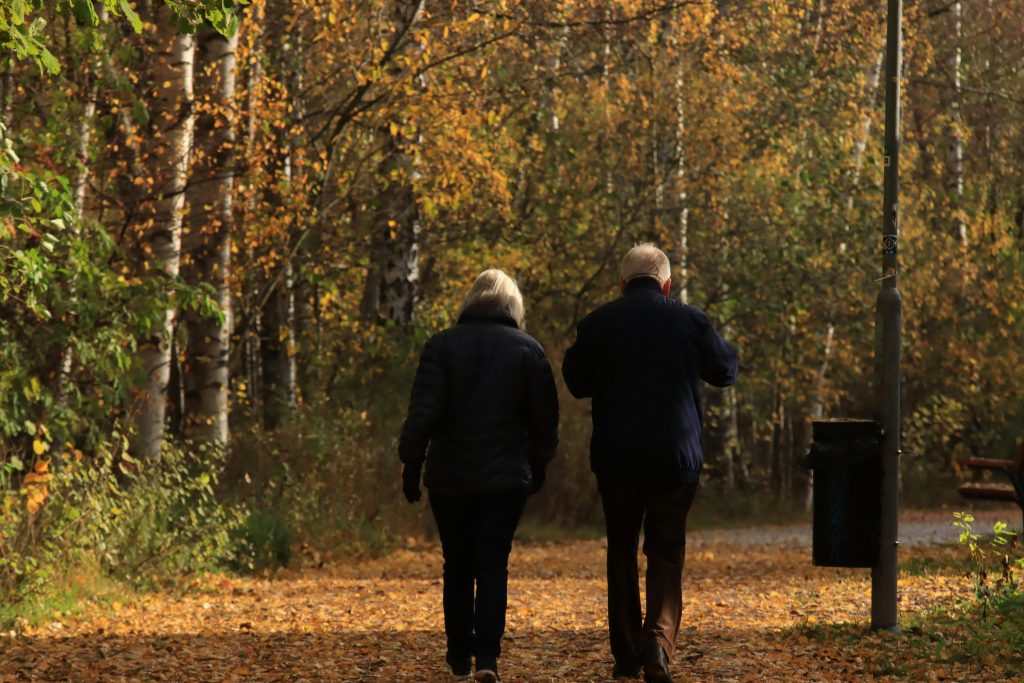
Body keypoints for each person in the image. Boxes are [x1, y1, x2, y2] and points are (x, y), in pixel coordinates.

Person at [562, 243, 738, 683]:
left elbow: (576, 382)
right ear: (666, 283)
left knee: (621, 549)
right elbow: (725, 371)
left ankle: (625, 656)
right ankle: (658, 644)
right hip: (674, 458)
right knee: (665, 551)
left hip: (617, 459)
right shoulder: (689, 320)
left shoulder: (598, 323)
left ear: (622, 284)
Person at [399, 269, 560, 682]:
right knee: (492, 566)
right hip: (505, 479)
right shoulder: (528, 351)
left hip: (450, 477)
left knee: (456, 565)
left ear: (471, 300)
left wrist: (412, 464)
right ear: (512, 305)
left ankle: (458, 658)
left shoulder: (441, 346)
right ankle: (487, 658)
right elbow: (544, 422)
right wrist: (538, 465)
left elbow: (423, 413)